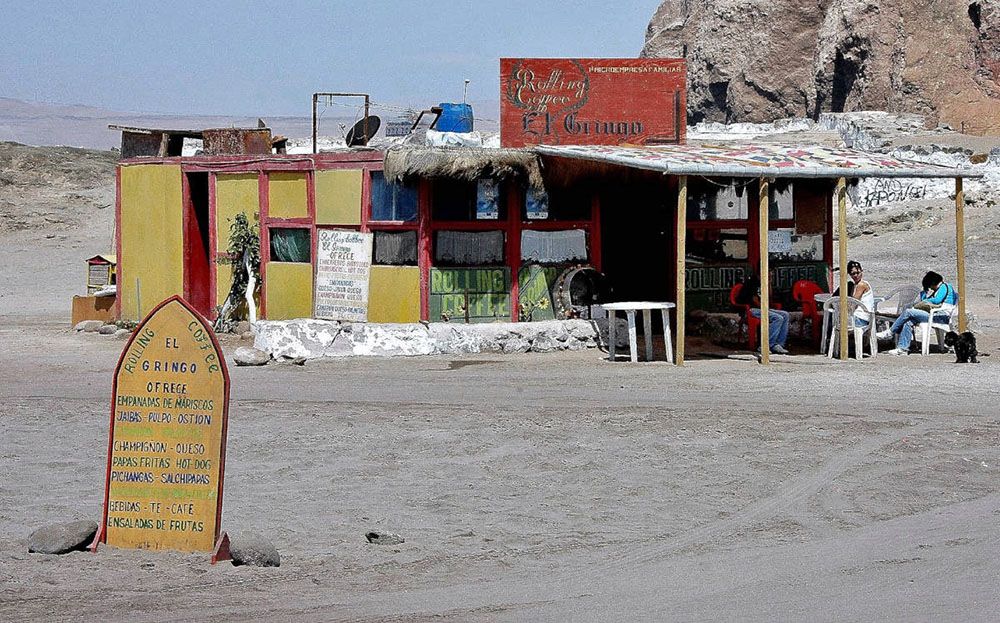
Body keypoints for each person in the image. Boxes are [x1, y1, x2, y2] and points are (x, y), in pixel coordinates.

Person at [876, 270, 958, 355]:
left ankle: (890, 332)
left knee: (908, 312)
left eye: (929, 286)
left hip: (940, 316)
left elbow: (936, 301)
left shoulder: (944, 287)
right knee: (908, 322)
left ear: (933, 283)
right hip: (933, 315)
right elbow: (924, 301)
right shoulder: (936, 291)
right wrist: (924, 292)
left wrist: (926, 301)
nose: (930, 288)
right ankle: (902, 348)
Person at [737, 273, 791, 354]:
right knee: (778, 318)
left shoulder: (764, 282)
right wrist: (766, 309)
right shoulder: (752, 283)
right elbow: (755, 300)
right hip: (751, 309)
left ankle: (778, 344)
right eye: (769, 273)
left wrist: (769, 283)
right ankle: (766, 345)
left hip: (762, 308)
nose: (770, 275)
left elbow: (769, 297)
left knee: (785, 315)